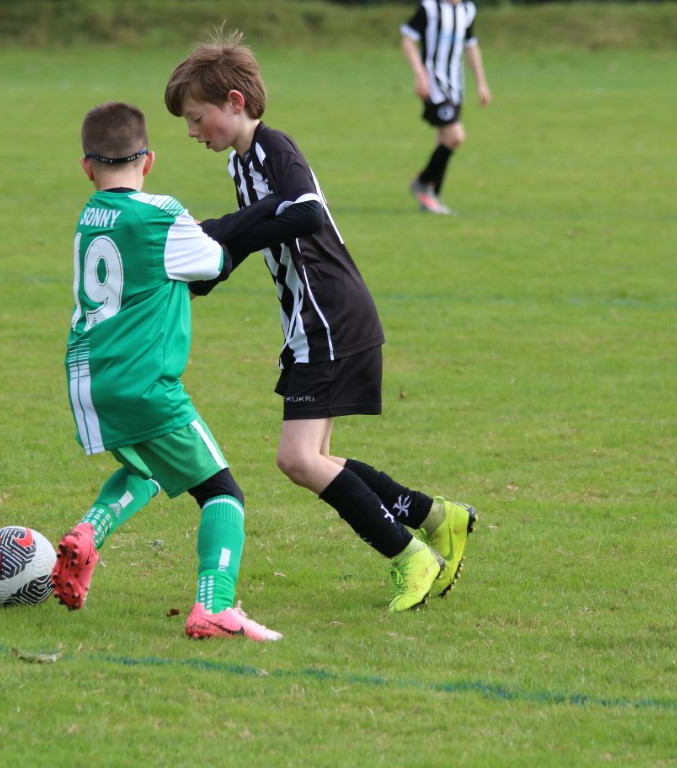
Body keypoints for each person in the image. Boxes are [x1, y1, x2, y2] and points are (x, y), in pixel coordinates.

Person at [165, 30, 477, 614]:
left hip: (328, 317)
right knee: (320, 459)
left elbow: (304, 210)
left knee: (298, 459)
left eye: (197, 117)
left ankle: (410, 556)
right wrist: (210, 269)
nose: (191, 131)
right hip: (319, 318)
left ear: (235, 103)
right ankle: (438, 517)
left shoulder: (273, 148)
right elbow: (265, 229)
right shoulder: (242, 163)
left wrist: (223, 231)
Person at [49, 101, 281, 642]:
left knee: (149, 467)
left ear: (87, 167)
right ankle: (214, 607)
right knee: (222, 492)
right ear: (148, 160)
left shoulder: (89, 215)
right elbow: (215, 261)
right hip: (146, 384)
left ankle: (89, 532)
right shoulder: (161, 214)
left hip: (90, 380)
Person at [401, 0, 491, 215]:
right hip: (433, 86)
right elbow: (407, 41)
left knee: (444, 140)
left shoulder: (467, 10)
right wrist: (419, 73)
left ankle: (431, 196)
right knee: (455, 136)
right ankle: (422, 183)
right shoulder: (430, 8)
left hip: (455, 87)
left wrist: (481, 82)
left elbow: (471, 45)